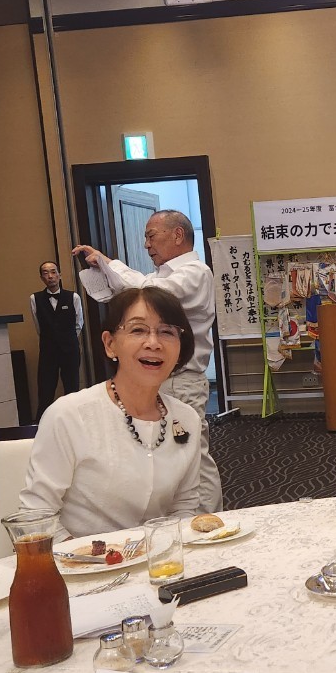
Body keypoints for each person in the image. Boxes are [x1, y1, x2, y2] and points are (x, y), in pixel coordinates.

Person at [19, 287, 201, 541]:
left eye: (167, 332)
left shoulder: (187, 419)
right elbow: (35, 516)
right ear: (110, 344)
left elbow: (184, 506)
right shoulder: (69, 415)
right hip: (81, 560)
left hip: (160, 558)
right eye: (138, 330)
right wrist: (90, 557)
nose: (153, 343)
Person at [72, 209, 221, 512]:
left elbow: (146, 293)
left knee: (191, 454)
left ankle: (209, 520)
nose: (146, 245)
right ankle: (178, 518)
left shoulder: (196, 272)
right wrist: (103, 267)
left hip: (181, 380)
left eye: (151, 236)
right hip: (156, 380)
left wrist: (110, 263)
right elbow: (125, 291)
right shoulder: (158, 276)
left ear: (177, 235)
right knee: (161, 451)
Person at [30, 261, 83, 421]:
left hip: (70, 350)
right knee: (45, 391)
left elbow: (78, 324)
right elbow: (38, 326)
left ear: (59, 275)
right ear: (41, 277)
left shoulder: (73, 297)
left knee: (72, 389)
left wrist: (67, 339)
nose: (50, 276)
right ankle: (42, 426)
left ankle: (74, 423)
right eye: (46, 273)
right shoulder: (35, 299)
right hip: (48, 350)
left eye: (53, 272)